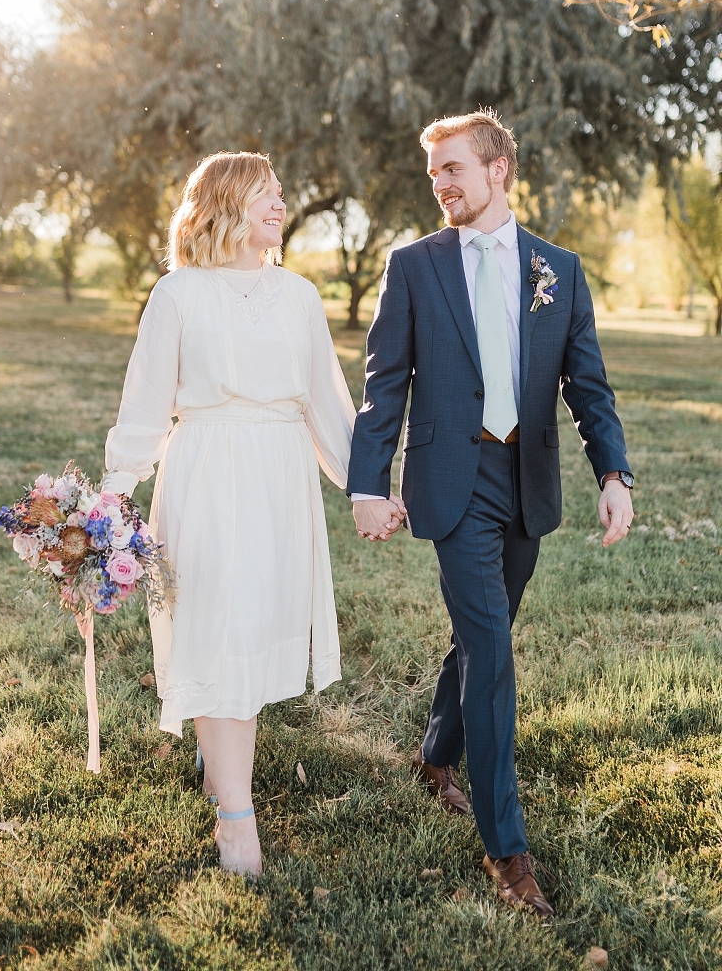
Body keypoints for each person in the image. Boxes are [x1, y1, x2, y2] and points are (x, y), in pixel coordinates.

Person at [347, 109, 634, 917]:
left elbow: (588, 386)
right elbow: (383, 387)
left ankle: (435, 754)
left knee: (485, 629)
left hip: (527, 478)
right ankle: (508, 853)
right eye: (433, 172)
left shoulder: (558, 271)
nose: (440, 184)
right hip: (451, 477)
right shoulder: (414, 267)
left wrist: (613, 472)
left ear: (498, 169)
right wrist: (369, 483)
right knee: (493, 651)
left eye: (453, 169)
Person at [103, 151, 355, 876]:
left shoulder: (301, 295)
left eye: (280, 194)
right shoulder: (177, 294)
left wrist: (366, 486)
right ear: (223, 205)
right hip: (206, 471)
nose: (280, 205)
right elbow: (146, 403)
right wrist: (114, 498)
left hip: (279, 476)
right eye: (264, 195)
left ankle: (222, 768)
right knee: (213, 626)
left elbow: (325, 404)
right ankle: (236, 820)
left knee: (255, 624)